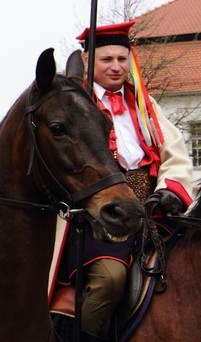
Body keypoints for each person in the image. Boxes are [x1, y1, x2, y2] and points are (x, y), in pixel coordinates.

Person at [52, 21, 194, 341]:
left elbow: (176, 154)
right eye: (106, 60)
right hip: (101, 219)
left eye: (121, 58)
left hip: (151, 213)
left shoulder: (144, 105)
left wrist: (169, 190)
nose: (116, 67)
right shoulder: (78, 106)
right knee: (110, 279)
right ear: (88, 62)